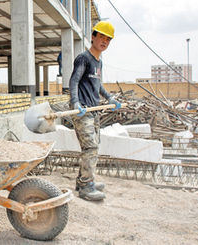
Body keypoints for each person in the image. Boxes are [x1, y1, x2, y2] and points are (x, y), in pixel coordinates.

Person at [68, 21, 121, 201]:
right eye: (101, 37)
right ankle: (86, 187)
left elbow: (98, 86)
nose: (104, 41)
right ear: (93, 37)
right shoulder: (83, 58)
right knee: (90, 147)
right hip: (82, 110)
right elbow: (74, 81)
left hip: (94, 110)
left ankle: (83, 181)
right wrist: (75, 103)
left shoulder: (99, 62)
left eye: (108, 39)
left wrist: (110, 98)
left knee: (92, 147)